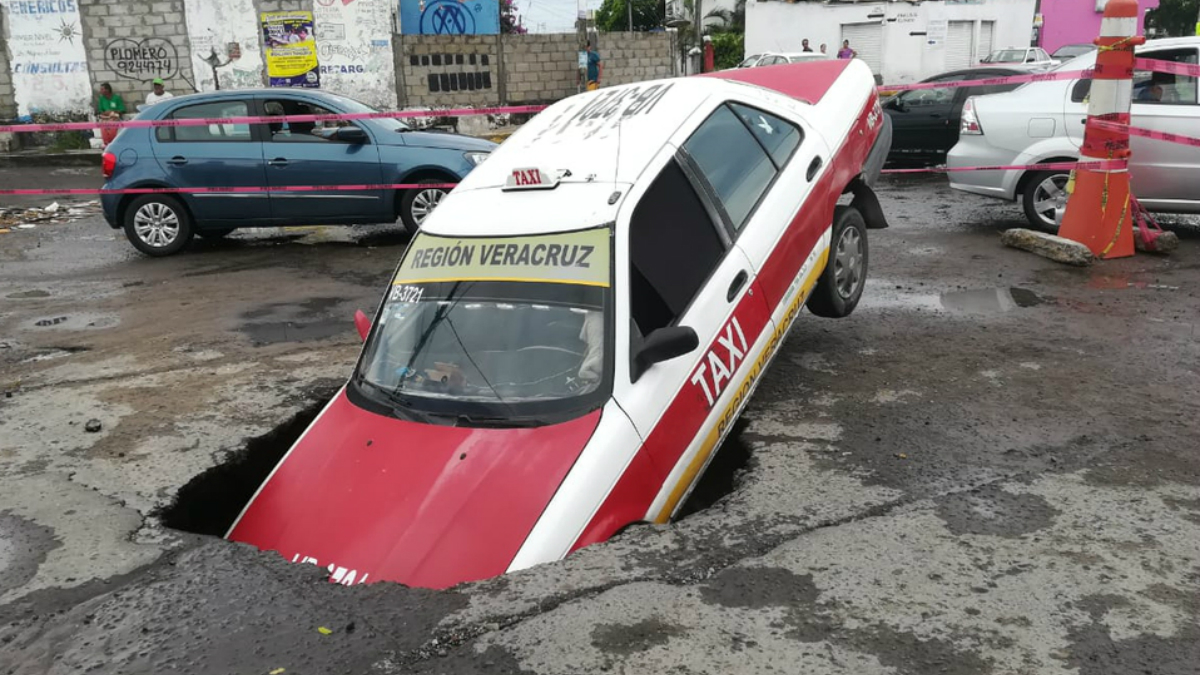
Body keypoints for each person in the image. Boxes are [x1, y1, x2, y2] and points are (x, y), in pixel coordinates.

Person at [96, 82, 125, 148]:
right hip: (105, 118)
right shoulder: (101, 99)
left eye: (102, 89)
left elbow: (122, 110)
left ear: (107, 90)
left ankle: (113, 143)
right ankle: (106, 144)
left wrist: (113, 112)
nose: (100, 91)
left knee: (112, 126)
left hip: (114, 117)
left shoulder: (116, 98)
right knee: (103, 126)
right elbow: (100, 110)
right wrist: (106, 113)